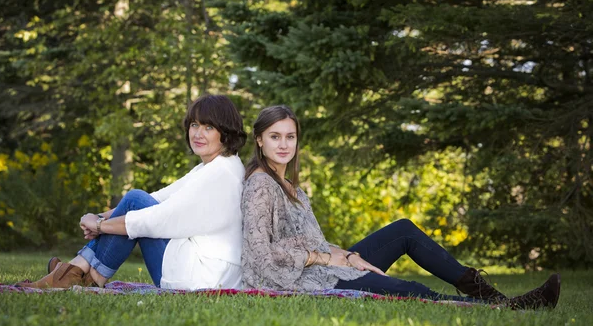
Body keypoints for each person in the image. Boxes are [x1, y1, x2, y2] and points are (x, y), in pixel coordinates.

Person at [240, 105, 561, 309]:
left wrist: (347, 255)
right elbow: (260, 255)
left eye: (290, 137)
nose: (284, 145)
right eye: (275, 137)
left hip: (324, 265)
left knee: (404, 231)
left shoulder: (291, 187)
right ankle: (502, 308)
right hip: (304, 279)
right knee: (410, 289)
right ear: (259, 140)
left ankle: (488, 294)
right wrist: (325, 257)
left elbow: (312, 240)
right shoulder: (260, 185)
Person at [18, 94, 247, 290]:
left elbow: (158, 218)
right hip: (205, 270)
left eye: (208, 127)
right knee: (137, 199)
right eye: (194, 125)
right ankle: (78, 271)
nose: (198, 133)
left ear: (225, 133)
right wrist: (99, 218)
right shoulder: (216, 166)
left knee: (136, 200)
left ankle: (82, 274)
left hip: (201, 277)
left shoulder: (220, 174)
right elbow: (158, 198)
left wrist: (99, 227)